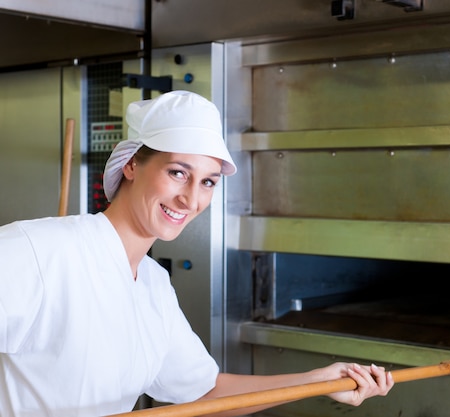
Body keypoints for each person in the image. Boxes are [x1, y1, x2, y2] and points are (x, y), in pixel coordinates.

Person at [0, 90, 394, 417]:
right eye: (177, 172)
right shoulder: (40, 251)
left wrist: (318, 381)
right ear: (133, 164)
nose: (191, 198)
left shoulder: (152, 286)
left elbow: (203, 394)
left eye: (207, 181)